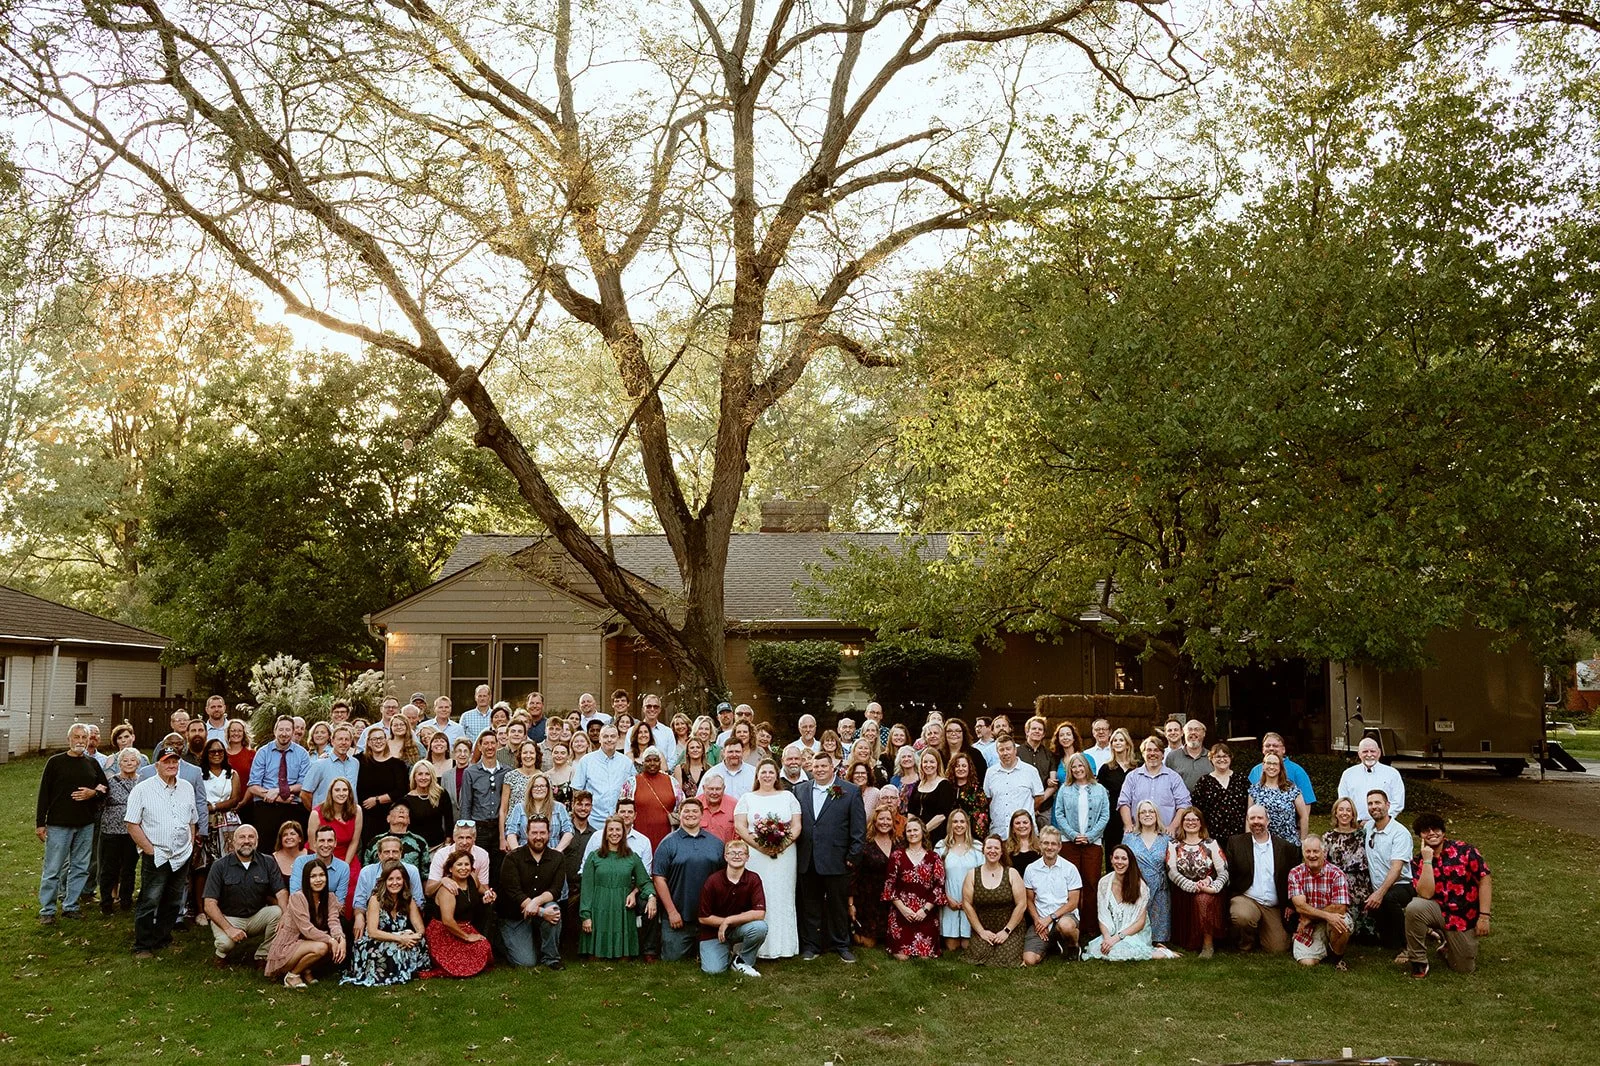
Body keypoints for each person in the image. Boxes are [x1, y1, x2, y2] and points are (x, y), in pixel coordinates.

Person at [126, 742, 199, 957]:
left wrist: (190, 844)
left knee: (174, 899)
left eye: (175, 761)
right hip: (157, 855)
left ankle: (163, 938)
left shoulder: (186, 787)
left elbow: (192, 820)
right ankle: (143, 944)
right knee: (150, 899)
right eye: (167, 761)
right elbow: (131, 823)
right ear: (157, 764)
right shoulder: (143, 789)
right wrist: (149, 850)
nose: (172, 765)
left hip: (182, 855)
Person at [795, 749, 865, 962]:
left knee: (838, 905)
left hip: (837, 859)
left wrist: (852, 856)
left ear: (832, 767)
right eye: (815, 767)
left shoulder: (850, 791)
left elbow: (858, 829)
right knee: (810, 905)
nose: (819, 770)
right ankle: (811, 945)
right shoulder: (800, 790)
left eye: (823, 766)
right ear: (810, 768)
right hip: (808, 859)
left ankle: (841, 944)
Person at [35, 722, 109, 924]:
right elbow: (44, 793)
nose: (80, 741)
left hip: (85, 824)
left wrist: (92, 793)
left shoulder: (92, 764)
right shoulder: (55, 762)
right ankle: (47, 910)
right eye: (76, 737)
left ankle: (71, 905)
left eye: (84, 737)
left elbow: (105, 789)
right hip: (59, 824)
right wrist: (40, 823)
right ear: (69, 739)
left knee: (80, 867)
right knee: (53, 869)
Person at [1404, 812, 1492, 978]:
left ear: (1443, 832)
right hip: (1438, 911)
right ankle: (1418, 961)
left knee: (1463, 968)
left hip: (1463, 917)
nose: (1431, 833)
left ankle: (1446, 947)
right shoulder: (1418, 861)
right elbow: (1425, 893)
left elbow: (1485, 880)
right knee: (1414, 907)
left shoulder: (1466, 851)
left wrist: (1484, 917)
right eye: (1425, 831)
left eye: (1435, 829)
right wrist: (1428, 861)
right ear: (1420, 836)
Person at [732, 759, 801, 960]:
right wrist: (760, 846)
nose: (767, 775)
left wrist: (782, 844)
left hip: (785, 854)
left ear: (776, 775)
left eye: (771, 772)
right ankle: (757, 946)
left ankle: (784, 946)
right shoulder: (747, 798)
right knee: (758, 895)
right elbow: (740, 827)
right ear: (758, 775)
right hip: (756, 854)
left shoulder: (788, 796)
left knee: (782, 895)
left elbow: (796, 826)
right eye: (764, 772)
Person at [652, 798, 729, 963]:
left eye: (695, 811)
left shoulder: (716, 844)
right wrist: (672, 912)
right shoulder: (667, 844)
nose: (690, 815)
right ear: (680, 815)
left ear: (702, 815)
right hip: (679, 916)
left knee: (713, 963)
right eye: (686, 811)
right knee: (673, 961)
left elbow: (724, 877)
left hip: (709, 917)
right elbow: (659, 878)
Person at [203, 823, 287, 966]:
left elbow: (282, 892)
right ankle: (220, 955)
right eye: (242, 837)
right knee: (225, 943)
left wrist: (286, 915)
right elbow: (209, 904)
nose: (246, 841)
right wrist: (229, 929)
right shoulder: (220, 865)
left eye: (251, 837)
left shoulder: (268, 862)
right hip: (228, 917)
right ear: (233, 841)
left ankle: (263, 955)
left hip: (256, 916)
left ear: (257, 841)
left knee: (278, 912)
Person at [1224, 803, 1301, 954]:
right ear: (1247, 821)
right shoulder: (1236, 843)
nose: (1256, 821)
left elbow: (1294, 880)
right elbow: (1229, 874)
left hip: (1273, 905)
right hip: (1247, 898)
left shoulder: (1286, 848)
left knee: (1278, 948)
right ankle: (1245, 943)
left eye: (1260, 817)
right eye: (1252, 818)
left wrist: (1291, 904)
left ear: (1268, 821)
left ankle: (1261, 932)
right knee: (1242, 916)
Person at [342, 861, 435, 986]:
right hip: (375, 940)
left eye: (398, 879)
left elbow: (420, 928)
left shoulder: (408, 899)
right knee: (393, 947)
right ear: (384, 881)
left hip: (399, 937)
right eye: (390, 879)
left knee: (420, 942)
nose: (395, 883)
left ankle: (407, 969)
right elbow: (372, 932)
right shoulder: (376, 900)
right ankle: (393, 972)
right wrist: (400, 938)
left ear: (404, 881)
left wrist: (412, 936)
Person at [1050, 752, 1108, 943]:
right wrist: (1073, 835)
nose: (1077, 770)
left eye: (1080, 766)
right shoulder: (1065, 790)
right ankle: (1072, 924)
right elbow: (1059, 814)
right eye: (1073, 767)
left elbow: (1105, 816)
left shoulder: (1099, 789)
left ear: (1087, 767)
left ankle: (1090, 927)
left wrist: (1090, 836)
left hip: (1093, 843)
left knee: (1091, 884)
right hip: (1070, 842)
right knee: (1072, 885)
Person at [580, 816, 656, 959]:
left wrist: (651, 897)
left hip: (622, 911)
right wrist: (586, 916)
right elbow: (587, 888)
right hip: (599, 909)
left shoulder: (632, 857)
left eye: (618, 830)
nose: (614, 833)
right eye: (611, 830)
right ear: (605, 833)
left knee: (624, 959)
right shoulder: (594, 857)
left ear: (623, 833)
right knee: (595, 959)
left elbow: (645, 882)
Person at [499, 814, 567, 969]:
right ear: (526, 833)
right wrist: (542, 912)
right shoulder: (512, 858)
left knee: (554, 909)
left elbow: (556, 890)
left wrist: (536, 902)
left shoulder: (557, 858)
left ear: (549, 833)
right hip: (515, 915)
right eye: (534, 833)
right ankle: (502, 942)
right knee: (526, 962)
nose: (538, 837)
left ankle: (551, 958)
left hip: (539, 909)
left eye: (542, 833)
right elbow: (514, 892)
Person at [265, 858, 346, 987]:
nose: (318, 880)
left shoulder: (330, 897)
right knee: (323, 946)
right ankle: (292, 975)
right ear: (306, 879)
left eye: (321, 875)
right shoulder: (298, 897)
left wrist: (341, 939)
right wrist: (331, 939)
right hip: (287, 947)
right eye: (313, 876)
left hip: (306, 943)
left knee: (331, 946)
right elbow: (306, 929)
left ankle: (306, 970)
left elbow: (333, 921)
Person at [696, 837, 768, 977]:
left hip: (739, 928)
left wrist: (728, 921)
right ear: (725, 857)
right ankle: (725, 954)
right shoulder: (713, 881)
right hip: (714, 933)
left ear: (747, 857)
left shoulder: (753, 879)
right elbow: (703, 918)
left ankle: (742, 961)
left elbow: (759, 913)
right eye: (732, 853)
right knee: (713, 971)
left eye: (741, 853)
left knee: (760, 927)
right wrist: (723, 924)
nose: (737, 856)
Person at [1166, 806, 1228, 958]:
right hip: (1183, 892)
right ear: (1182, 823)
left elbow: (1224, 871)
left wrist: (1213, 887)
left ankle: (1208, 945)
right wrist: (1192, 886)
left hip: (1209, 892)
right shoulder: (1173, 845)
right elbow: (1171, 871)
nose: (1191, 822)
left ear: (1201, 823)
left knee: (1203, 900)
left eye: (1195, 819)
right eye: (1187, 819)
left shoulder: (1211, 843)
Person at [1081, 844, 1159, 961]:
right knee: (1098, 949)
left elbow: (1140, 923)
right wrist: (1107, 938)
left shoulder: (1140, 886)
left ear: (1130, 861)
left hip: (1133, 933)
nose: (1119, 862)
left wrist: (1117, 938)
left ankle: (1161, 953)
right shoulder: (1104, 882)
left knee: (1120, 951)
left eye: (1124, 858)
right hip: (1111, 932)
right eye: (1116, 858)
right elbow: (1102, 916)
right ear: (1111, 860)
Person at [959, 833, 1026, 967]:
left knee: (1007, 958)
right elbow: (967, 904)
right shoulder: (972, 874)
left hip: (1009, 929)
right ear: (983, 850)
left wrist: (1006, 931)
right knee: (978, 955)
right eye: (989, 847)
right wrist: (981, 931)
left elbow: (1021, 905)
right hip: (984, 929)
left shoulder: (1011, 873)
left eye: (996, 848)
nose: (992, 851)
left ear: (1002, 852)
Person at [426, 847, 493, 977]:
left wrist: (488, 893)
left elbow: (480, 889)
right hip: (444, 931)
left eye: (467, 864)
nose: (464, 868)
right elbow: (447, 921)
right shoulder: (448, 889)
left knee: (483, 947)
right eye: (459, 864)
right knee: (461, 963)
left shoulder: (472, 878)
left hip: (465, 926)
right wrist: (467, 937)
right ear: (450, 869)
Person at [1288, 833, 1352, 970]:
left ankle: (1337, 957)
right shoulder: (1295, 873)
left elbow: (1340, 908)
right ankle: (1323, 948)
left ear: (1324, 852)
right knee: (1307, 962)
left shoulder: (1336, 874)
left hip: (1323, 920)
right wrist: (1326, 915)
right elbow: (1300, 907)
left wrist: (1310, 917)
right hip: (1311, 924)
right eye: (1308, 851)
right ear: (1303, 853)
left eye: (1316, 851)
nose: (1312, 855)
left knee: (1341, 921)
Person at [1363, 789, 1415, 955]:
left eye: (1377, 803)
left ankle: (1407, 947)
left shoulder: (1400, 833)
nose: (1373, 807)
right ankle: (1397, 938)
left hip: (1402, 885)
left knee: (1389, 898)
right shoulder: (1369, 828)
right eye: (1370, 804)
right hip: (1379, 887)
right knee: (1387, 942)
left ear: (1387, 805)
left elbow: (1397, 868)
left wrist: (1379, 893)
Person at [247, 715, 311, 849]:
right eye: (281, 729)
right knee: (266, 847)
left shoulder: (302, 754)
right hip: (266, 804)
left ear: (293, 732)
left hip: (293, 804)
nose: (284, 733)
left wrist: (278, 791)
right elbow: (253, 785)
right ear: (275, 731)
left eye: (288, 730)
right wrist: (279, 798)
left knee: (293, 845)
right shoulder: (263, 752)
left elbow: (303, 784)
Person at [1021, 825, 1082, 964]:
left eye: (1053, 843)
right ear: (1040, 845)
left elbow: (1073, 902)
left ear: (1059, 846)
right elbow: (1029, 900)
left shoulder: (1070, 868)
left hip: (1064, 916)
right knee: (1029, 960)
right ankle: (1053, 944)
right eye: (1046, 843)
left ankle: (1073, 947)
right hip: (1041, 919)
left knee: (1066, 926)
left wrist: (1050, 918)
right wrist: (1038, 922)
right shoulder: (1031, 869)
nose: (1049, 847)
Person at [1322, 797, 1377, 941]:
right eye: (1341, 809)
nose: (1344, 813)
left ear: (1353, 814)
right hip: (1338, 884)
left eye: (1348, 810)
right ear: (1335, 813)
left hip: (1361, 883)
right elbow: (1324, 863)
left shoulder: (1363, 835)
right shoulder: (1328, 837)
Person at [350, 836, 425, 939]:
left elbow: (419, 903)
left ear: (401, 853)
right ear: (379, 855)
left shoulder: (412, 871)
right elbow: (359, 903)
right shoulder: (366, 872)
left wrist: (413, 933)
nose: (391, 856)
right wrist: (359, 918)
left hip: (404, 921)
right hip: (374, 923)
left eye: (395, 852)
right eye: (386, 852)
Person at [1126, 800, 1175, 952]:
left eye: (1151, 811)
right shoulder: (1129, 838)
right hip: (1137, 884)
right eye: (1143, 812)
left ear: (1156, 815)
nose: (1147, 815)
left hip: (1160, 887)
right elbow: (1123, 861)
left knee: (1159, 927)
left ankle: (1158, 939)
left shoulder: (1166, 838)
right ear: (1138, 816)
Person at [99, 747, 144, 912]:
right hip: (111, 831)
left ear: (138, 763)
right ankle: (106, 901)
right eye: (125, 760)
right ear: (119, 764)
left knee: (129, 868)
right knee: (109, 868)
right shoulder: (110, 782)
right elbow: (100, 803)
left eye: (133, 760)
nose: (129, 763)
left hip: (133, 832)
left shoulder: (142, 782)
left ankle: (126, 901)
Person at [1119, 736, 1192, 836]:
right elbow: (1124, 802)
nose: (1152, 753)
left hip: (1167, 834)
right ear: (1143, 754)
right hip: (1138, 835)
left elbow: (1184, 804)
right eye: (1148, 750)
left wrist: (1173, 827)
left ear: (1162, 754)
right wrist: (1128, 825)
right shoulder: (1132, 777)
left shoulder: (1174, 778)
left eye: (1156, 750)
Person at [851, 803, 897, 947]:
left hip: (891, 900)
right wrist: (850, 903)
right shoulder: (865, 844)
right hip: (868, 900)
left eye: (888, 819)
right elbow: (854, 875)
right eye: (881, 819)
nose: (885, 822)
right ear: (875, 821)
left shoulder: (899, 843)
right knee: (867, 944)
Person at [937, 809, 983, 951]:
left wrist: (970, 899)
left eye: (962, 821)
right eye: (955, 821)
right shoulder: (941, 847)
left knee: (967, 945)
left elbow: (982, 876)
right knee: (952, 947)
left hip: (971, 900)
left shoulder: (977, 847)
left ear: (967, 824)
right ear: (950, 824)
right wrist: (946, 898)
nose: (958, 825)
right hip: (950, 899)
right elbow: (937, 878)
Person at [984, 735, 1044, 841]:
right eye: (1001, 750)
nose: (1005, 753)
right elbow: (988, 799)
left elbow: (1039, 798)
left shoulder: (1030, 771)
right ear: (997, 752)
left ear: (1015, 750)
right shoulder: (990, 773)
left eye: (1008, 749)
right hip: (999, 834)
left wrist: (1026, 810)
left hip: (1025, 834)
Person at [356, 725, 407, 850]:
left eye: (381, 738)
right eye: (374, 739)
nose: (378, 742)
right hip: (365, 817)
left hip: (388, 816)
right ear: (368, 742)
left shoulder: (397, 764)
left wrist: (377, 800)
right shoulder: (358, 761)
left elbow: (401, 790)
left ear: (386, 740)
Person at [621, 747, 683, 849]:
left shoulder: (672, 781)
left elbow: (681, 805)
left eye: (655, 760)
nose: (652, 763)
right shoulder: (632, 783)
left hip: (667, 834)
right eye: (648, 760)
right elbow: (623, 809)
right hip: (638, 835)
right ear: (643, 762)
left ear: (660, 762)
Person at [573, 724, 635, 823]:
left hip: (620, 821)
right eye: (605, 736)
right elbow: (577, 791)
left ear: (618, 739)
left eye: (613, 736)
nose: (609, 740)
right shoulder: (586, 761)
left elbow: (632, 791)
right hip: (593, 821)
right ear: (599, 739)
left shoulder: (626, 762)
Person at [1338, 738, 1407, 824]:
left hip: (1385, 825)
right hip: (1356, 825)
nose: (1369, 754)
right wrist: (1357, 820)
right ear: (1359, 754)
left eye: (1372, 751)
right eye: (1365, 751)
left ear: (1379, 753)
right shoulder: (1348, 774)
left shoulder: (1392, 774)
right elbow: (1343, 801)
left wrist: (1382, 820)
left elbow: (1398, 802)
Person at [1096, 727, 1138, 866]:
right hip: (1113, 818)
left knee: (1134, 855)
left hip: (1136, 816)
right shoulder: (1106, 769)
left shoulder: (1137, 767)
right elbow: (1100, 795)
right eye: (1114, 740)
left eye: (1121, 740)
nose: (1117, 742)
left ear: (1128, 744)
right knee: (1113, 853)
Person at [1192, 742, 1250, 842]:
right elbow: (1197, 811)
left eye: (1225, 756)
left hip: (1239, 835)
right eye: (1217, 756)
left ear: (1230, 758)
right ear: (1211, 759)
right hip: (1212, 836)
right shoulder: (1203, 782)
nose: (1222, 759)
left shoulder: (1241, 779)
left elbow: (1250, 808)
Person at [290, 824, 353, 914]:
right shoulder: (301, 862)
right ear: (315, 843)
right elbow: (295, 894)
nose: (326, 845)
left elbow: (339, 903)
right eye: (322, 841)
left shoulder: (343, 867)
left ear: (335, 843)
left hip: (329, 914)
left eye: (330, 840)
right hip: (303, 911)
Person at [1249, 752, 1310, 846]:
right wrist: (1248, 842)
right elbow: (1248, 818)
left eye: (1275, 764)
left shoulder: (1291, 789)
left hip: (1288, 843)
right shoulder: (1255, 790)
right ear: (1263, 766)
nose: (1271, 767)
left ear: (1280, 767)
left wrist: (1303, 841)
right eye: (1268, 763)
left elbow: (1304, 817)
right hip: (1262, 844)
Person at [505, 772, 575, 851]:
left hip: (552, 853)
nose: (539, 789)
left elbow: (568, 831)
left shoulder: (559, 808)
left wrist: (557, 852)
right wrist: (517, 853)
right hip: (526, 855)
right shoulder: (519, 808)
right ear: (530, 789)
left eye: (542, 786)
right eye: (535, 786)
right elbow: (511, 832)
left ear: (548, 788)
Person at [302, 725, 360, 808]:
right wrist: (316, 814)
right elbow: (305, 794)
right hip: (326, 816)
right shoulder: (320, 764)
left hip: (349, 815)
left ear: (351, 742)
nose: (343, 742)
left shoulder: (355, 763)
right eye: (340, 739)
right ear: (332, 741)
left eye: (347, 739)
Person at [1248, 733, 1317, 802]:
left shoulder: (1297, 771)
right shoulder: (1255, 771)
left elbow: (1307, 801)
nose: (1271, 748)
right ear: (1263, 749)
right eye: (1267, 746)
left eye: (1275, 746)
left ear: (1283, 749)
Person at [400, 761, 452, 848]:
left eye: (427, 774)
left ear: (432, 776)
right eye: (420, 774)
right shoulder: (406, 800)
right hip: (415, 848)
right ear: (414, 777)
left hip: (438, 846)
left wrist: (447, 843)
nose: (423, 778)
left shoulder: (441, 794)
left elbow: (449, 820)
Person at [1165, 720, 1213, 793]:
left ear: (1204, 733)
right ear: (1184, 733)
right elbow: (1166, 783)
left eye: (1197, 729)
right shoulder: (1172, 757)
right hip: (1181, 803)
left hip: (1207, 803)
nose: (1193, 732)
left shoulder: (1212, 756)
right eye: (1189, 729)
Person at [697, 774, 736, 842]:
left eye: (718, 789)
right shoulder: (695, 804)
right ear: (703, 788)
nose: (714, 793)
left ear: (724, 789)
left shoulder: (734, 805)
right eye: (711, 789)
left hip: (726, 851)